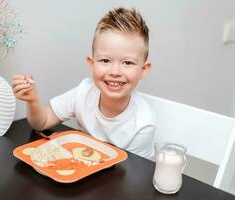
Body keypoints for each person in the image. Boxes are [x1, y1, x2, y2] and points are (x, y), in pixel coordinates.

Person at [12, 7, 156, 159]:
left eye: (127, 62)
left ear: (143, 70)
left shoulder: (144, 122)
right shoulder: (83, 92)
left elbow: (133, 174)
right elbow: (42, 122)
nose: (115, 72)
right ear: (91, 64)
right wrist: (33, 101)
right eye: (105, 60)